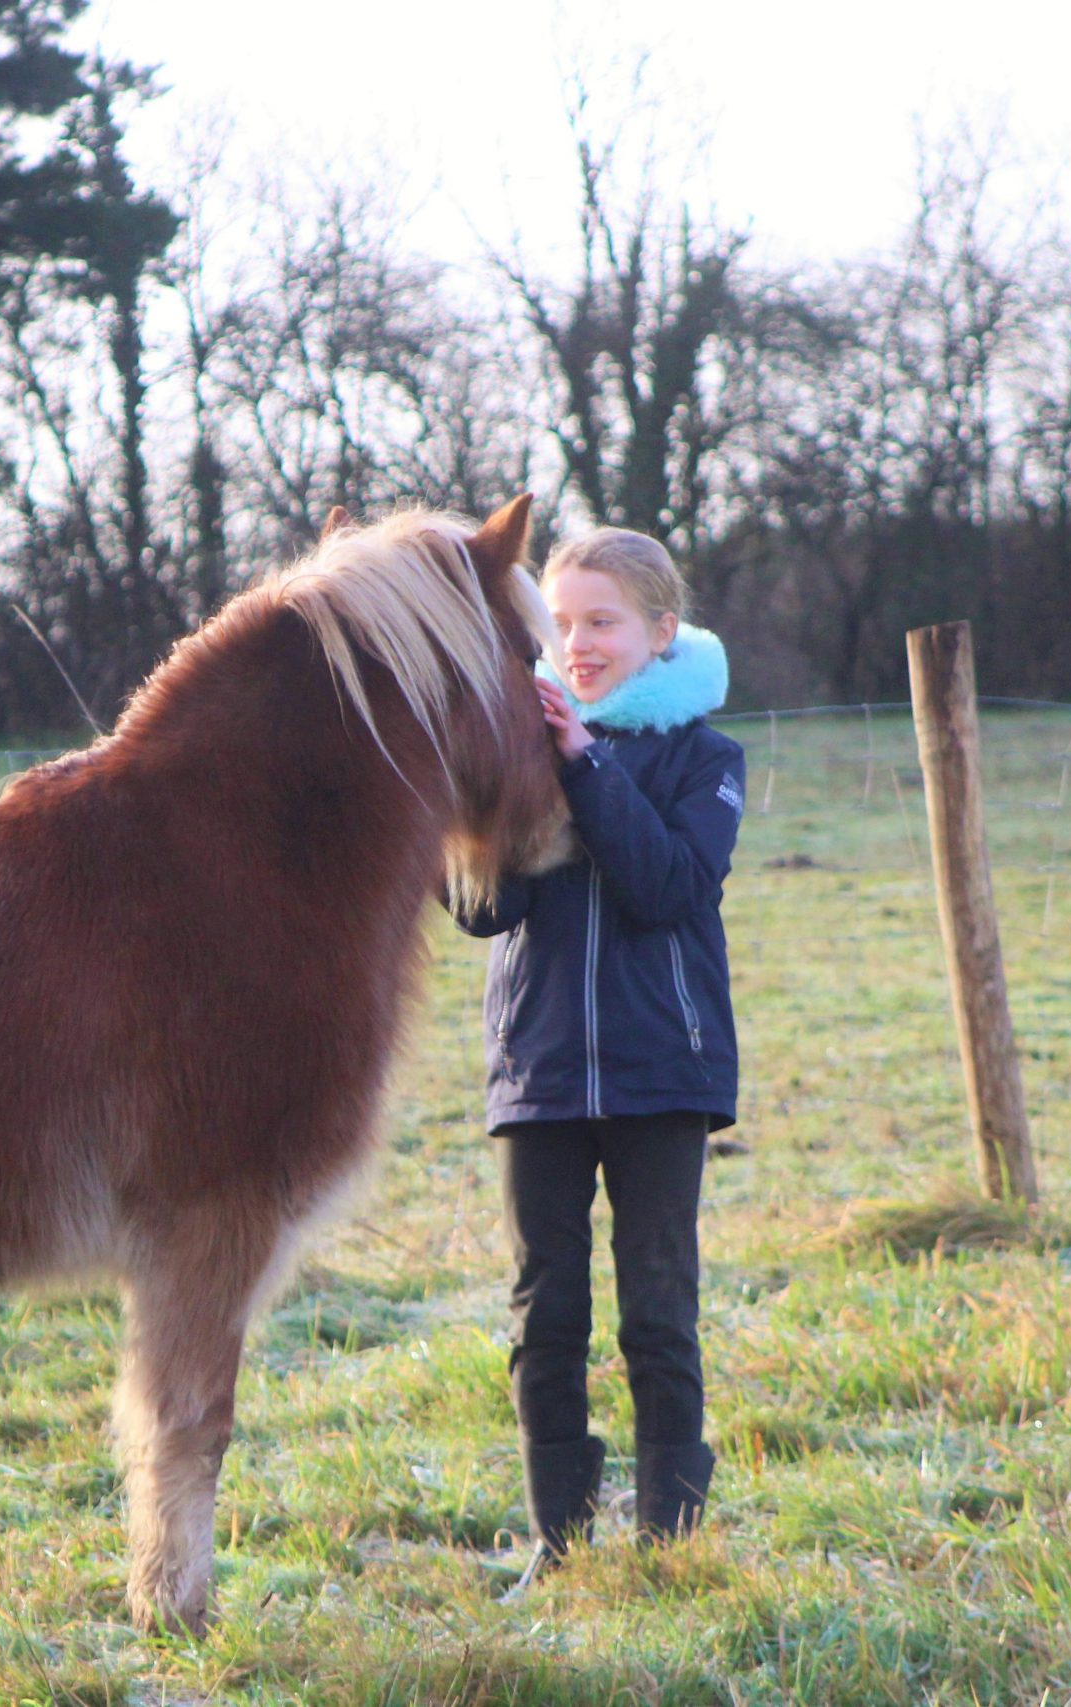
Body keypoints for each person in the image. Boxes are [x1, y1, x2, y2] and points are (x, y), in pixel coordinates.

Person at [445, 526, 746, 1585]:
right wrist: (471, 798)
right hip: (539, 1074)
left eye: (600, 622)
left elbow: (666, 886)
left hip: (665, 1073)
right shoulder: (524, 739)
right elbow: (488, 912)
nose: (576, 642)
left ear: (660, 633)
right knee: (546, 1314)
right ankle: (557, 1549)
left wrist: (582, 762)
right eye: (560, 624)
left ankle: (670, 1547)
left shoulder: (705, 760)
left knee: (657, 1308)